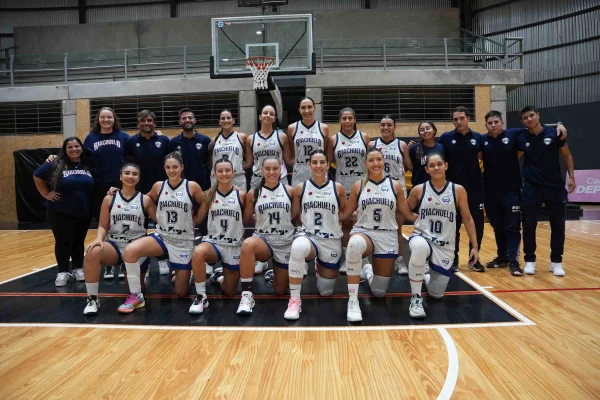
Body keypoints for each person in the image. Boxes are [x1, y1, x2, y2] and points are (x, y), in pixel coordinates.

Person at [481, 111, 568, 276]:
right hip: (490, 191)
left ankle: (514, 260)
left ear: (502, 123)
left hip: (512, 190)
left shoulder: (515, 134)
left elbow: (536, 126)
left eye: (496, 122)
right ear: (486, 125)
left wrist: (559, 124)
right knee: (497, 226)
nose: (493, 125)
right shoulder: (482, 140)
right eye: (490, 123)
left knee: (513, 227)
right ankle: (502, 256)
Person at [118, 152, 205, 313]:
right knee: (131, 250)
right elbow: (143, 199)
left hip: (183, 242)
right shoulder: (158, 186)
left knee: (181, 292)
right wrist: (118, 194)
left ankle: (187, 273)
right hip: (162, 236)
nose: (171, 170)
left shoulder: (192, 186)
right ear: (164, 168)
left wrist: (197, 220)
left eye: (175, 167)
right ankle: (136, 295)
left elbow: (206, 201)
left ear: (181, 167)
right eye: (168, 167)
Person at [339, 148, 416, 322]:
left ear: (383, 162)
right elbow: (346, 214)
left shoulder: (394, 186)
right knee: (354, 244)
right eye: (371, 160)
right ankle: (353, 300)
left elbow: (406, 212)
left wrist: (420, 219)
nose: (376, 163)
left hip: (387, 236)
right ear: (366, 163)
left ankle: (368, 272)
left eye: (379, 160)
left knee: (379, 292)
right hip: (364, 232)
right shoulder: (359, 185)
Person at [405, 151, 480, 319]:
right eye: (432, 165)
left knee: (436, 294)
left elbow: (467, 218)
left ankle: (424, 273)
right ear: (427, 170)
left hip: (445, 245)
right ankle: (416, 298)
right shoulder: (419, 190)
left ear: (446, 166)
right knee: (418, 247)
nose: (436, 167)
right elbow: (404, 209)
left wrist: (475, 246)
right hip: (422, 237)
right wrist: (412, 218)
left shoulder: (458, 190)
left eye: (439, 164)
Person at [82, 164, 156, 315]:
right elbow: (103, 225)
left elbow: (160, 221)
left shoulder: (146, 200)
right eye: (127, 173)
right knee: (91, 252)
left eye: (134, 174)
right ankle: (92, 299)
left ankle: (138, 274)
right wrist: (98, 239)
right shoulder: (109, 199)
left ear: (138, 178)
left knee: (135, 289)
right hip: (115, 244)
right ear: (120, 176)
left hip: (137, 248)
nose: (130, 176)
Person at [284, 150, 346, 320]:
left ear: (327, 165)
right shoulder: (300, 188)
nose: (318, 166)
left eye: (322, 162)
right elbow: (295, 214)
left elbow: (344, 212)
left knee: (326, 292)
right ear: (309, 165)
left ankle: (320, 266)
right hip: (309, 236)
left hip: (331, 239)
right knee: (297, 246)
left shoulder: (337, 188)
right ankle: (295, 300)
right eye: (315, 162)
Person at [517, 106, 575, 277]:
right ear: (522, 121)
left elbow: (567, 156)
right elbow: (514, 156)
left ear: (538, 115)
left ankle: (556, 262)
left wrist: (571, 177)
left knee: (558, 225)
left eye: (532, 115)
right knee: (528, 225)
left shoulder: (555, 133)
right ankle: (530, 261)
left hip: (554, 187)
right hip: (531, 187)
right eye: (525, 117)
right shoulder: (521, 137)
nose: (529, 119)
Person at [237, 157, 297, 314]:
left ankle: (275, 273)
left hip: (284, 243)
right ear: (262, 170)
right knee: (248, 244)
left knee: (280, 291)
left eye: (275, 168)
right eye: (268, 169)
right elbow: (245, 219)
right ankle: (246, 295)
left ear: (281, 169)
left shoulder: (290, 191)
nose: (271, 172)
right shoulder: (253, 193)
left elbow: (296, 217)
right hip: (264, 241)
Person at [33, 137, 94, 287]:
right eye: (70, 147)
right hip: (59, 210)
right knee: (63, 241)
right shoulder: (56, 163)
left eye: (77, 146)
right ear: (65, 150)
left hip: (83, 209)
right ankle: (62, 271)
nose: (74, 149)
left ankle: (78, 268)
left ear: (81, 147)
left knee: (78, 241)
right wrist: (46, 194)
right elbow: (37, 175)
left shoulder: (88, 164)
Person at [190, 158, 246, 314]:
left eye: (227, 170)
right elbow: (198, 219)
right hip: (214, 243)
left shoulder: (241, 194)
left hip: (234, 245)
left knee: (229, 291)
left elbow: (247, 219)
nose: (224, 173)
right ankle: (201, 296)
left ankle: (219, 278)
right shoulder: (208, 195)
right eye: (220, 171)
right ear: (214, 173)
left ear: (233, 172)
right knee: (198, 252)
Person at [437, 106, 485, 272]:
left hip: (475, 188)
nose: (458, 122)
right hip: (452, 190)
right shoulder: (445, 138)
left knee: (477, 224)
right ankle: (453, 258)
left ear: (468, 118)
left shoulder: (478, 138)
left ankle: (474, 258)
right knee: (453, 225)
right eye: (455, 119)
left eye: (461, 118)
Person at [125, 109, 171, 276]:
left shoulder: (164, 140)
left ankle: (163, 258)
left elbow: (171, 164)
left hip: (161, 192)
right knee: (139, 227)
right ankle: (141, 258)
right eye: (143, 121)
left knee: (162, 225)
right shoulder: (130, 142)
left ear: (154, 123)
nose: (146, 123)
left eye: (149, 121)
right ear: (138, 124)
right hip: (139, 192)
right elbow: (128, 166)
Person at [328, 107, 370, 271]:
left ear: (354, 120)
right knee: (346, 224)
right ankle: (347, 259)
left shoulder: (364, 137)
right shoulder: (333, 139)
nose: (347, 121)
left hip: (362, 187)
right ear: (340, 121)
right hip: (343, 186)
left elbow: (371, 161)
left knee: (364, 224)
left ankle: (364, 258)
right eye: (344, 118)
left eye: (350, 118)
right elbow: (327, 163)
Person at [370, 115, 413, 275]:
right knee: (377, 227)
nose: (386, 127)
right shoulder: (372, 144)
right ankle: (376, 260)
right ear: (379, 127)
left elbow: (408, 166)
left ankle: (399, 260)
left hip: (398, 190)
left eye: (389, 125)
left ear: (394, 127)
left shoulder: (401, 145)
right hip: (378, 190)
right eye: (383, 125)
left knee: (397, 228)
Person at [246, 104, 293, 189]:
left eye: (271, 114)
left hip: (279, 178)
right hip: (258, 179)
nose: (268, 115)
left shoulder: (282, 137)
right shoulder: (251, 139)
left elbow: (288, 161)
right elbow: (248, 163)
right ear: (260, 117)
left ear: (274, 119)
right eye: (265, 113)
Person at [287, 97, 330, 187]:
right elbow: (293, 150)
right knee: (299, 200)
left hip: (318, 170)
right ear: (299, 110)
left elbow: (324, 150)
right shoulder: (292, 128)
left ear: (314, 108)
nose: (307, 111)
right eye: (303, 108)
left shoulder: (323, 128)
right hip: (299, 172)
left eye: (309, 107)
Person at [169, 108, 211, 191]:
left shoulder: (205, 140)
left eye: (190, 118)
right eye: (184, 118)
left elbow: (209, 163)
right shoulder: (173, 142)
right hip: (181, 187)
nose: (187, 120)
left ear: (194, 120)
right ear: (180, 122)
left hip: (202, 186)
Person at [209, 110, 248, 190]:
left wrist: (240, 168)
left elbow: (247, 158)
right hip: (219, 178)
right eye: (223, 118)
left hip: (237, 177)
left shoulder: (241, 137)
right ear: (219, 122)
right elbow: (212, 162)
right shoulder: (214, 140)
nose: (226, 120)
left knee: (239, 201)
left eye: (228, 118)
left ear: (233, 120)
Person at [408, 121, 444, 187]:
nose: (425, 131)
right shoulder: (414, 148)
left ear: (434, 130)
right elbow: (409, 166)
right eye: (422, 130)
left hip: (438, 186)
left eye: (428, 128)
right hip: (419, 186)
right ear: (420, 134)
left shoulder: (441, 148)